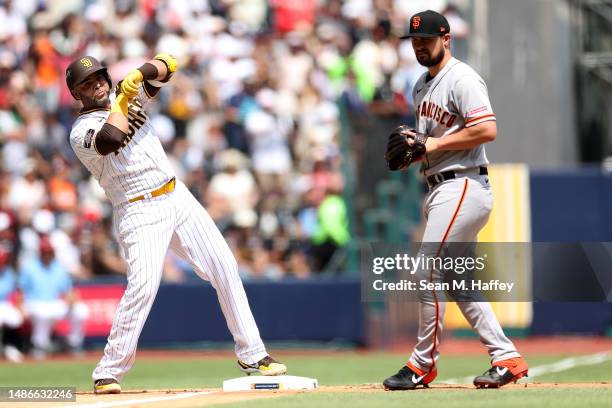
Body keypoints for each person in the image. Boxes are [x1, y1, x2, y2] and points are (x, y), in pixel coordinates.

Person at [65, 55, 286, 395]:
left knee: (225, 265)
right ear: (76, 92)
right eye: (86, 82)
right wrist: (125, 97)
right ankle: (108, 370)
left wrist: (137, 74)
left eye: (98, 76)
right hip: (138, 208)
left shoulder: (128, 94)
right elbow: (110, 139)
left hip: (176, 194)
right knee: (143, 285)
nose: (95, 83)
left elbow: (169, 64)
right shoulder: (81, 131)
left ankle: (253, 354)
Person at [383, 10, 528, 390]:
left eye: (426, 39)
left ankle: (421, 365)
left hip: (463, 184)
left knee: (425, 270)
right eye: (414, 40)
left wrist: (434, 145)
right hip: (440, 186)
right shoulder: (420, 86)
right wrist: (416, 153)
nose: (419, 45)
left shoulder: (461, 78)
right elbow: (429, 144)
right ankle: (506, 358)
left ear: (446, 39)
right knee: (457, 279)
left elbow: (487, 128)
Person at [18, 236, 88, 359]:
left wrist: (71, 299)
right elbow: (20, 291)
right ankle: (39, 346)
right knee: (43, 312)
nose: (47, 255)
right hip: (34, 303)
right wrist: (20, 307)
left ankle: (74, 344)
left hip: (54, 303)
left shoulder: (58, 268)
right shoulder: (29, 267)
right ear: (40, 252)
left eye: (49, 252)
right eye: (45, 252)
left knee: (81, 310)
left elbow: (69, 291)